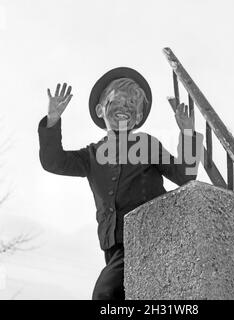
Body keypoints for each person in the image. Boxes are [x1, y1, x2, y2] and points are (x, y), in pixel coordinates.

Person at [38, 67, 204, 300]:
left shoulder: (147, 144)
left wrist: (187, 133)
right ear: (100, 110)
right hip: (112, 244)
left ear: (138, 116)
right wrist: (53, 120)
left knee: (105, 294)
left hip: (146, 235)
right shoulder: (92, 155)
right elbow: (53, 162)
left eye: (132, 104)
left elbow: (185, 175)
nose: (126, 107)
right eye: (119, 100)